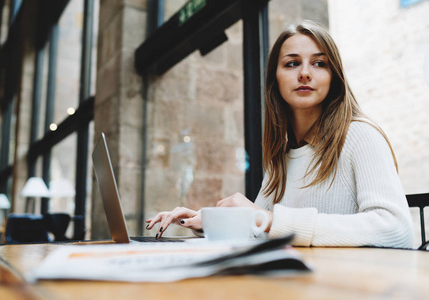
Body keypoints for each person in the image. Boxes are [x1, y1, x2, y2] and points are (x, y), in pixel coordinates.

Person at [146, 20, 414, 248]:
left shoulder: (360, 135)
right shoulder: (283, 155)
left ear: (334, 76)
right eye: (292, 63)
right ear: (275, 79)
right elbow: (259, 228)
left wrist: (269, 219)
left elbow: (396, 229)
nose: (305, 73)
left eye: (319, 63)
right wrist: (203, 219)